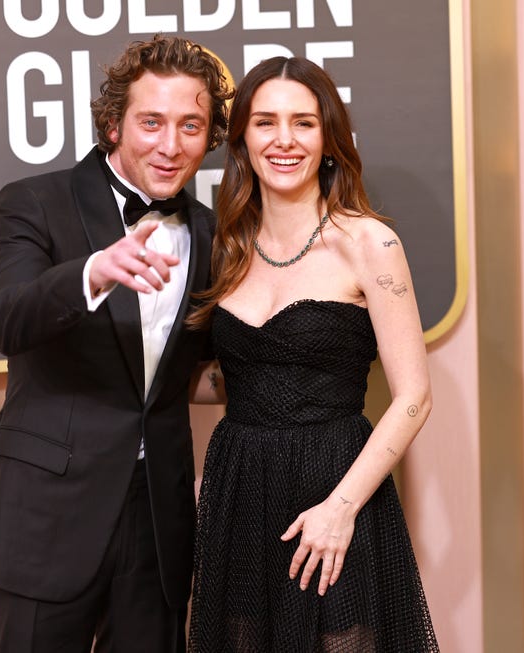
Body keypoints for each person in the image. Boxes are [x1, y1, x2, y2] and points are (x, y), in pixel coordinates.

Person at [0, 35, 231, 652]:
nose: (171, 145)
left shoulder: (211, 232)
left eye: (191, 125)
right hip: (48, 516)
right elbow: (7, 317)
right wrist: (93, 272)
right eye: (151, 122)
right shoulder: (33, 202)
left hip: (158, 525)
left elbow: (197, 369)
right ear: (113, 124)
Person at [187, 57, 439, 652]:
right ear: (243, 139)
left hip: (334, 487)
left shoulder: (368, 242)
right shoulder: (228, 247)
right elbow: (234, 380)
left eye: (303, 123)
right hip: (240, 494)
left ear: (328, 139)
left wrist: (340, 509)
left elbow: (414, 396)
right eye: (265, 122)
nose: (283, 140)